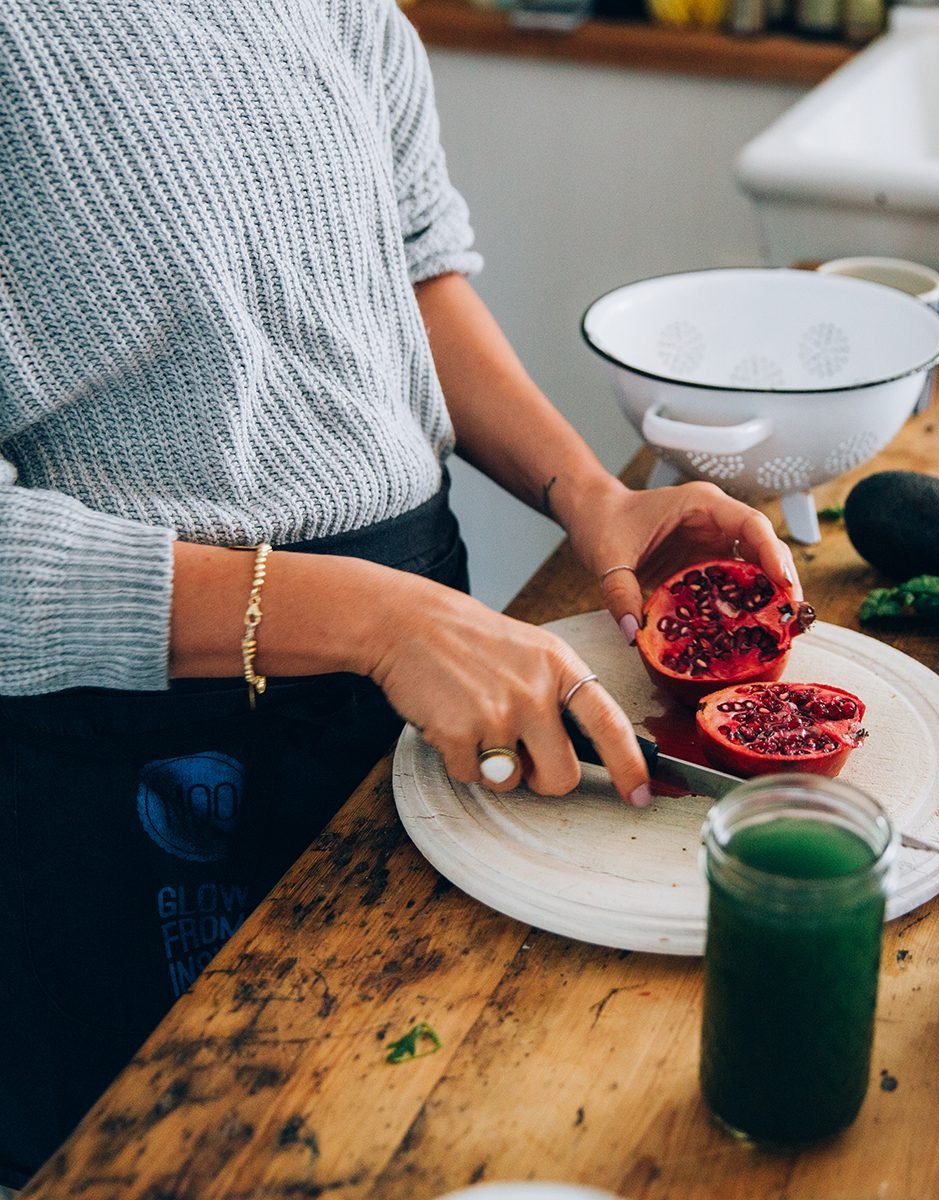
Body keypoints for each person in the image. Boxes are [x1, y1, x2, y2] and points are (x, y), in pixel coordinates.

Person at [0, 0, 801, 1187]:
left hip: (420, 646)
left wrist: (590, 498)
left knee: (426, 1118)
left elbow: (411, 271)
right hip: (144, 734)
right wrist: (372, 618)